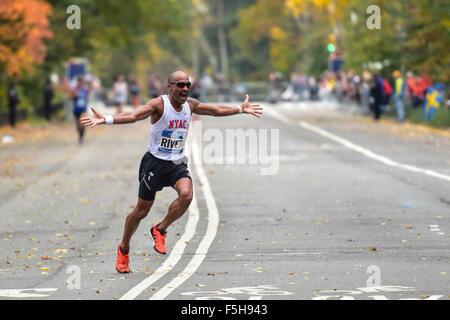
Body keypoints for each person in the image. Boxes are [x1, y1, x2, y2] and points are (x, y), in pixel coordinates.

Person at [81, 70, 263, 273]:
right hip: (154, 164)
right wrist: (105, 119)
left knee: (187, 195)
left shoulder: (190, 105)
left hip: (176, 162)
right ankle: (124, 249)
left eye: (187, 85)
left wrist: (239, 108)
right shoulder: (159, 105)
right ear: (170, 87)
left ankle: (160, 229)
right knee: (141, 211)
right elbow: (133, 116)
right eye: (180, 85)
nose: (185, 88)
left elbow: (215, 111)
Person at [71, 76, 89, 144]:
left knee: (83, 123)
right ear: (78, 82)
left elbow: (87, 97)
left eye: (82, 82)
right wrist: (75, 96)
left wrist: (86, 98)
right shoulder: (74, 89)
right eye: (80, 82)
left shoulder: (85, 89)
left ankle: (82, 137)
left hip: (83, 109)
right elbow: (70, 97)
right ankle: (80, 136)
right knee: (78, 125)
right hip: (76, 109)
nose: (81, 83)